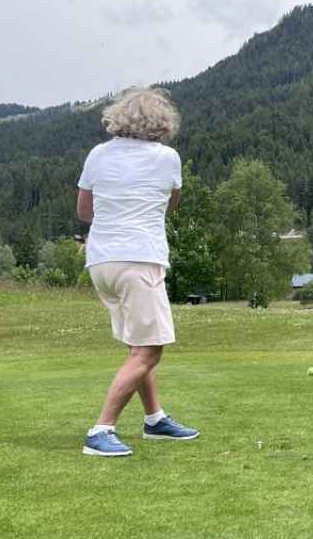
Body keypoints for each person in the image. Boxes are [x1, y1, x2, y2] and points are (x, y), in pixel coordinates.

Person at [77, 87, 199, 457]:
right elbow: (171, 204)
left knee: (137, 345)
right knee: (149, 351)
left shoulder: (98, 154)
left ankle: (154, 419)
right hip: (140, 260)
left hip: (102, 263)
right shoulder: (167, 158)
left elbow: (84, 211)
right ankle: (101, 429)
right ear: (162, 122)